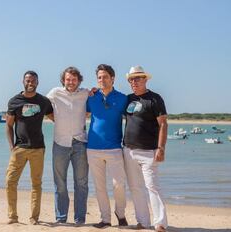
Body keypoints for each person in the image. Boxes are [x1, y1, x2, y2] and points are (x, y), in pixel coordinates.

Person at [123, 65, 168, 232]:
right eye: (131, 79)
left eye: (137, 78)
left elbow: (163, 123)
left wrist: (161, 148)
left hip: (149, 151)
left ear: (145, 79)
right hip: (128, 150)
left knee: (152, 187)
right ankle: (142, 222)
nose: (134, 82)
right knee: (135, 187)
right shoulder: (127, 99)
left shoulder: (155, 99)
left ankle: (160, 223)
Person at [5, 70, 53, 225]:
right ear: (23, 82)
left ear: (37, 82)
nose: (30, 83)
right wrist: (12, 146)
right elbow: (9, 125)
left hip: (38, 148)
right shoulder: (14, 101)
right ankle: (12, 217)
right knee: (10, 181)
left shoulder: (44, 102)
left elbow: (56, 118)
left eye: (33, 81)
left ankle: (34, 218)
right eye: (27, 81)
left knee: (36, 184)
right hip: (19, 148)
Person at [86, 64, 129, 229]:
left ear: (113, 78)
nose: (101, 80)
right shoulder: (91, 97)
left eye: (105, 77)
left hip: (114, 147)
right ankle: (105, 218)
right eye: (99, 77)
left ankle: (121, 213)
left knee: (119, 184)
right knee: (99, 186)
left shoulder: (123, 98)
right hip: (93, 148)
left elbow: (133, 118)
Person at [46, 67, 89, 225]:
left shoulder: (85, 93)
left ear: (79, 80)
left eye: (74, 79)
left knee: (81, 183)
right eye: (68, 79)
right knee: (60, 183)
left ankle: (80, 218)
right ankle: (61, 218)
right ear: (63, 80)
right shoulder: (55, 93)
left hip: (80, 143)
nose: (71, 82)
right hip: (60, 143)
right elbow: (44, 107)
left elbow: (92, 107)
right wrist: (56, 119)